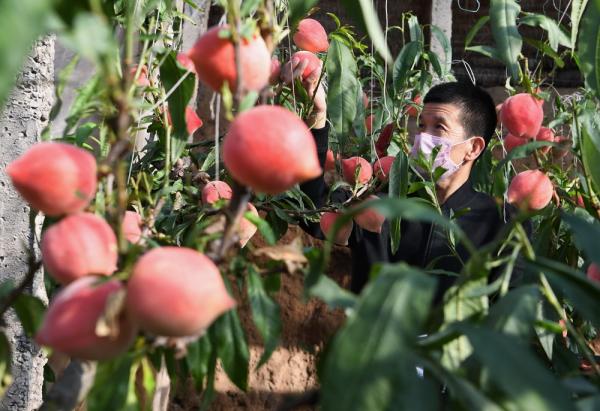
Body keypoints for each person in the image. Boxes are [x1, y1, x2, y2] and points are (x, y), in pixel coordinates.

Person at [282, 58, 528, 303]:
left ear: (473, 148)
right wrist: (317, 115)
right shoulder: (379, 201)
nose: (423, 137)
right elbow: (314, 211)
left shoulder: (500, 223)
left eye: (439, 127)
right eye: (421, 126)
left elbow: (507, 307)